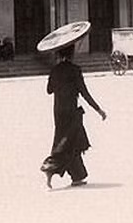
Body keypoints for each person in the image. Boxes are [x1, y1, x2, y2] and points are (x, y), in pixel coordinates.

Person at [41, 44, 107, 189]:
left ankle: (77, 175)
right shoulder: (75, 70)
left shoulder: (55, 70)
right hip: (71, 111)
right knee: (69, 141)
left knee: (67, 141)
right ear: (71, 54)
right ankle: (50, 166)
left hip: (58, 111)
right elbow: (84, 93)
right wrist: (99, 109)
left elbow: (49, 90)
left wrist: (54, 76)